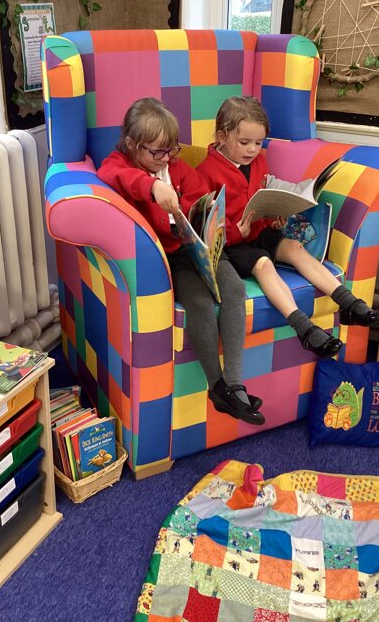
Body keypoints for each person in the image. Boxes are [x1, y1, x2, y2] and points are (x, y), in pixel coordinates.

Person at [97, 97, 265, 425]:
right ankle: (217, 386)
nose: (166, 158)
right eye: (157, 152)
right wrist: (153, 187)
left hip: (201, 247)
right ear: (132, 144)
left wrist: (193, 207)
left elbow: (200, 195)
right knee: (199, 303)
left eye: (171, 150)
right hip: (173, 258)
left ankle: (234, 385)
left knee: (234, 290)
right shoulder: (122, 163)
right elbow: (113, 174)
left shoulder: (175, 166)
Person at [197, 96, 379, 359]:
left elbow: (259, 197)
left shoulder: (258, 162)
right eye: (244, 142)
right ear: (222, 137)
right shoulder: (205, 172)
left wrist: (275, 217)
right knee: (264, 264)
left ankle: (350, 304)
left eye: (258, 143)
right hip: (233, 245)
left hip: (258, 232)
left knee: (294, 247)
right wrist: (236, 232)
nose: (252, 150)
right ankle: (304, 328)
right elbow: (206, 227)